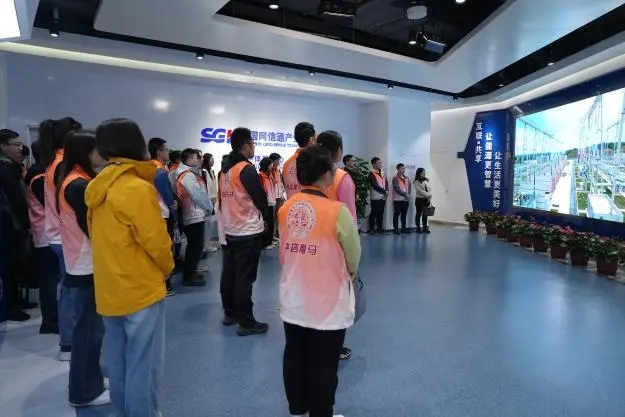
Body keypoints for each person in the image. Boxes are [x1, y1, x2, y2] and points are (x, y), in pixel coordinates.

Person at [85, 118, 174, 417]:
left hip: (109, 289)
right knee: (143, 366)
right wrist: (167, 269)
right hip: (140, 289)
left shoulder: (97, 186)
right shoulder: (136, 188)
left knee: (119, 362)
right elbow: (156, 244)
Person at [278, 145, 361, 417]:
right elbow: (353, 255)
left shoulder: (286, 208)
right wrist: (350, 273)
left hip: (293, 296)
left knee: (295, 355)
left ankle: (298, 407)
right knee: (324, 364)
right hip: (327, 301)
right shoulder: (337, 211)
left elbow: (284, 253)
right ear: (326, 173)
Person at [57, 130, 109, 407]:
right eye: (97, 149)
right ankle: (84, 392)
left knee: (89, 330)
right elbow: (92, 227)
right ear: (85, 153)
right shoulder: (78, 185)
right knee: (88, 332)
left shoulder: (76, 179)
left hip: (79, 261)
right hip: (84, 263)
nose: (101, 154)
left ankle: (90, 382)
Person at [219, 127, 269, 336]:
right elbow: (260, 199)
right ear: (246, 145)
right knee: (244, 278)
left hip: (231, 229)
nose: (254, 148)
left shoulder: (225, 170)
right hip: (248, 230)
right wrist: (266, 219)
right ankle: (246, 321)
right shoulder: (245, 169)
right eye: (253, 144)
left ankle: (230, 313)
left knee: (230, 274)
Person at [41, 117, 82, 360]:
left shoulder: (56, 161)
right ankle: (68, 344)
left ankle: (69, 341)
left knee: (69, 289)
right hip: (65, 236)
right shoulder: (62, 165)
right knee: (71, 291)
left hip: (60, 235)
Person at [317, 130, 357, 362]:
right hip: (335, 247)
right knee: (336, 301)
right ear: (339, 151)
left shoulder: (308, 174)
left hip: (310, 246)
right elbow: (350, 224)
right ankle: (333, 347)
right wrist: (353, 263)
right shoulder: (342, 178)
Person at [25, 140, 60, 333]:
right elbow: (52, 205)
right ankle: (50, 320)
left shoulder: (41, 173)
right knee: (49, 278)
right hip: (45, 233)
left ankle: (52, 317)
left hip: (47, 232)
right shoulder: (39, 177)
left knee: (51, 277)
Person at [0, 129, 31, 321]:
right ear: (3, 146)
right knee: (10, 267)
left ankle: (16, 302)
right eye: (16, 144)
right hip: (10, 224)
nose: (20, 148)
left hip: (11, 223)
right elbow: (16, 200)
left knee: (15, 265)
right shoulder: (6, 168)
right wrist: (26, 223)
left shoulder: (11, 166)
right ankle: (11, 307)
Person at [175, 148, 213, 286]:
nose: (200, 160)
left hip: (194, 213)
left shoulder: (189, 173)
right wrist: (208, 207)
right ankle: (188, 276)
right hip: (193, 215)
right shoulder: (188, 175)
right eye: (198, 157)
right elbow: (197, 195)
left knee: (195, 246)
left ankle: (191, 271)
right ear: (191, 159)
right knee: (195, 246)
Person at [148, 138, 177, 296]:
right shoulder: (159, 171)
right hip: (163, 214)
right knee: (165, 249)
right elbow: (167, 196)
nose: (168, 152)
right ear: (159, 152)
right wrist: (175, 212)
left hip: (153, 213)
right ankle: (165, 284)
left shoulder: (149, 167)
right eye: (166, 149)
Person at [283, 122, 316, 199]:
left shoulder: (286, 164)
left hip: (292, 205)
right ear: (311, 140)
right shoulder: (314, 161)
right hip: (310, 205)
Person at [202, 153, 219, 253]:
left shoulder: (211, 171)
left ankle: (207, 244)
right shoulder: (204, 172)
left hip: (212, 200)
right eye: (211, 159)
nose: (213, 161)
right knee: (206, 224)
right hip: (207, 200)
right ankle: (205, 245)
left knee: (208, 224)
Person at [258, 157, 277, 250]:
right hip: (266, 203)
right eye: (270, 164)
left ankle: (270, 241)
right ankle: (265, 243)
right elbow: (260, 189)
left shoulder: (269, 175)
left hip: (271, 202)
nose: (272, 166)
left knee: (271, 222)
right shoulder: (261, 176)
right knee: (266, 223)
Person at [368, 156, 388, 234]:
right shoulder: (371, 173)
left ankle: (380, 228)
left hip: (383, 196)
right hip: (375, 197)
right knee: (373, 213)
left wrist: (387, 190)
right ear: (374, 164)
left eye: (381, 162)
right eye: (379, 163)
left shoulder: (382, 172)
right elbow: (374, 185)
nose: (381, 164)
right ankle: (371, 229)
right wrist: (384, 191)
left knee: (380, 213)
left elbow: (386, 182)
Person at [269, 152, 285, 241]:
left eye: (279, 160)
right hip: (273, 197)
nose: (278, 162)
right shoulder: (269, 171)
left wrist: (282, 193)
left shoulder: (278, 170)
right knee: (272, 217)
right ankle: (271, 235)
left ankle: (276, 232)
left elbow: (281, 182)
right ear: (272, 161)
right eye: (277, 160)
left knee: (277, 216)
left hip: (279, 196)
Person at [392, 163, 411, 234]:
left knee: (404, 214)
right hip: (397, 199)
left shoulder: (407, 178)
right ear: (398, 169)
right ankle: (396, 229)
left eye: (404, 168)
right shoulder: (395, 178)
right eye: (402, 168)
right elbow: (396, 188)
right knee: (396, 214)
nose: (404, 169)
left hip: (405, 200)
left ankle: (403, 228)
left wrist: (408, 194)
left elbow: (409, 187)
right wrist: (405, 194)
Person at [414, 167, 432, 233]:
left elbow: (429, 189)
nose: (424, 173)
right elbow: (419, 190)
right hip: (419, 199)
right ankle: (418, 228)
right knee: (418, 214)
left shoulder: (426, 180)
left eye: (424, 172)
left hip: (426, 199)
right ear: (419, 173)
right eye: (423, 172)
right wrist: (428, 194)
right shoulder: (416, 181)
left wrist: (429, 196)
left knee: (425, 214)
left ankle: (425, 228)